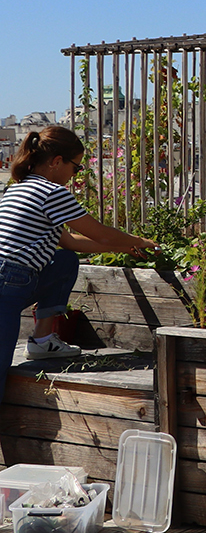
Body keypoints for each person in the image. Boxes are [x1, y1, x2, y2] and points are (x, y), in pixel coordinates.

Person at [0, 127, 158, 398]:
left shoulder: (20, 189)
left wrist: (126, 248)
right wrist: (139, 241)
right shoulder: (52, 192)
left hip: (12, 278)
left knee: (63, 261)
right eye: (77, 168)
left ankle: (41, 340)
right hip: (9, 282)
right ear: (57, 161)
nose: (76, 176)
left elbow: (71, 243)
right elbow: (100, 234)